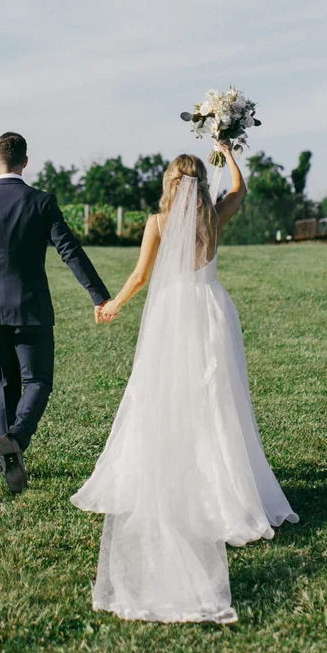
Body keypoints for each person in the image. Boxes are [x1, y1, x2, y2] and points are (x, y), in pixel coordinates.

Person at [71, 141, 298, 623]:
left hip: (174, 314)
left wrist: (113, 304)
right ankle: (224, 484)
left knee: (162, 397)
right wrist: (227, 150)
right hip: (213, 311)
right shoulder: (214, 217)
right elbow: (241, 187)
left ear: (170, 184)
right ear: (198, 182)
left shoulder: (158, 223)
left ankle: (181, 480)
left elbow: (140, 275)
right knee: (217, 400)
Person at [0, 132, 111, 496]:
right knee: (37, 382)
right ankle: (15, 439)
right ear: (25, 162)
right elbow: (70, 250)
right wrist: (98, 295)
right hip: (30, 307)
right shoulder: (41, 202)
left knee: (4, 384)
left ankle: (9, 464)